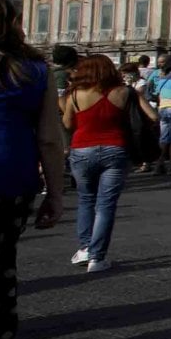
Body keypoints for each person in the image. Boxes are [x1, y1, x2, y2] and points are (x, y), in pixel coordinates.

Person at [0, 0, 65, 339]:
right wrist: (55, 193)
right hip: (11, 179)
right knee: (1, 263)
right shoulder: (35, 71)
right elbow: (50, 138)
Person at [61, 54, 153, 274]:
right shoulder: (124, 92)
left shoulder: (75, 94)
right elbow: (153, 116)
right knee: (106, 204)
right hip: (115, 149)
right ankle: (97, 257)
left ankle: (85, 247)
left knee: (85, 199)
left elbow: (66, 123)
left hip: (82, 149)